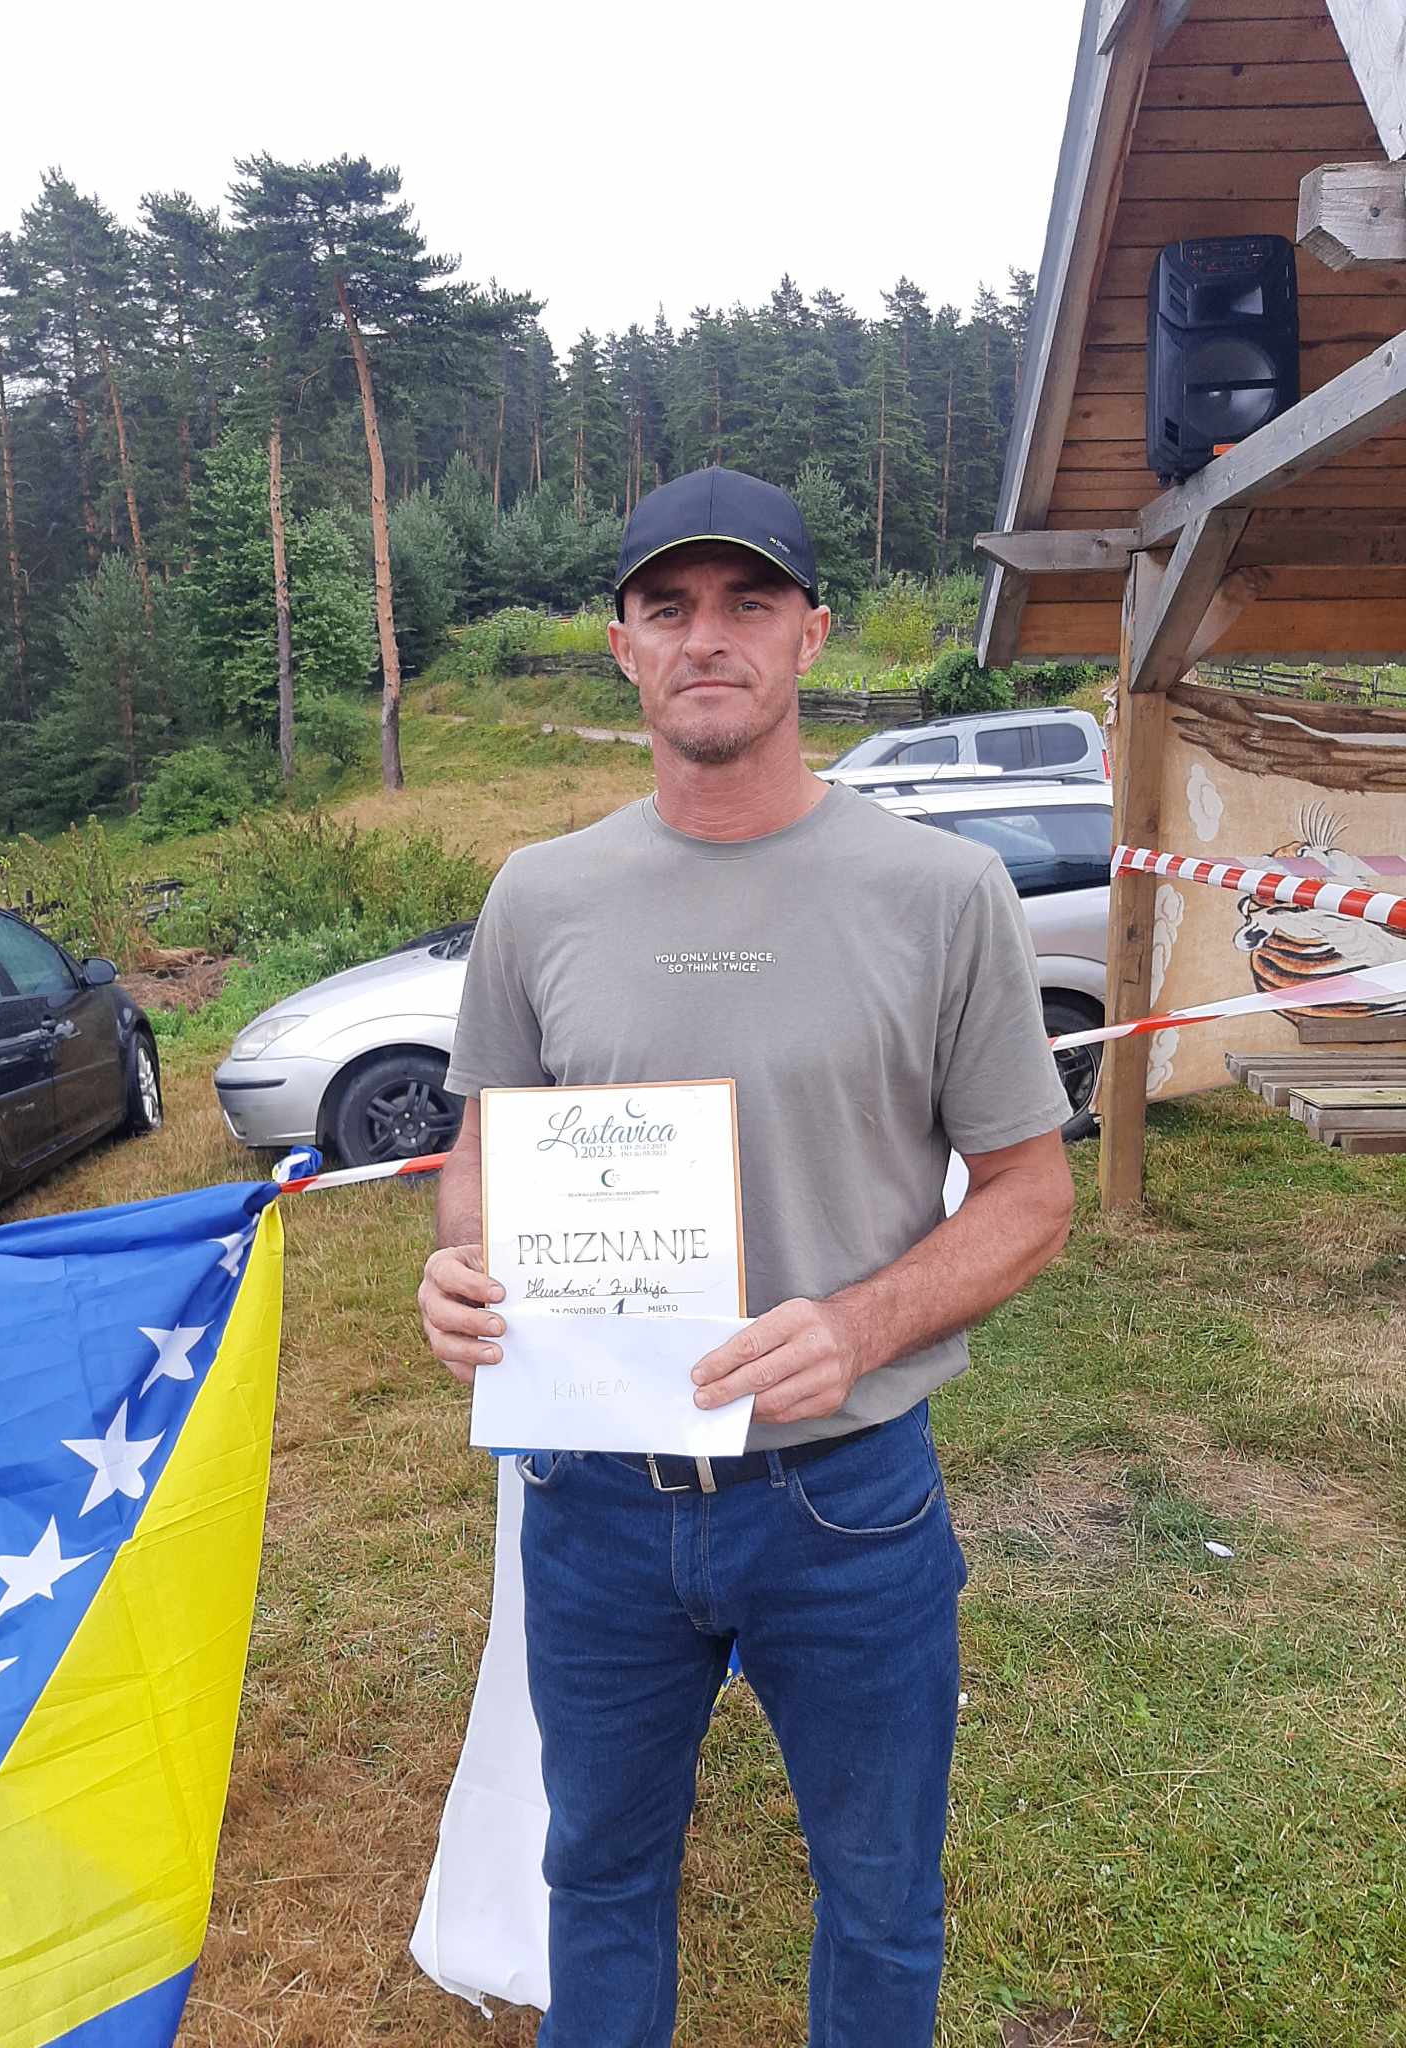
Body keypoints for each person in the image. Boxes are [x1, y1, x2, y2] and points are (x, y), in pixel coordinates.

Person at [417, 466, 1075, 2047]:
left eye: (748, 602)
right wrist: (463, 1267)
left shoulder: (941, 894)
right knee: (597, 1877)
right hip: (594, 1506)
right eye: (669, 607)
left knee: (881, 1898)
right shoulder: (539, 897)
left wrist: (857, 1327)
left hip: (845, 1500)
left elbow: (1030, 1194)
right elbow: (483, 1155)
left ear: (810, 634)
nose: (707, 637)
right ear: (624, 649)